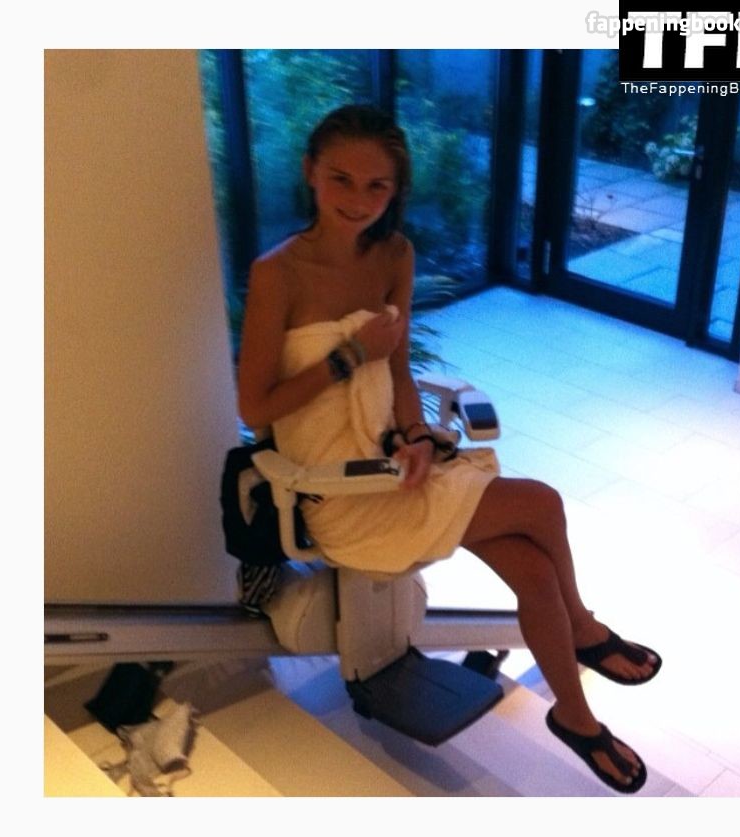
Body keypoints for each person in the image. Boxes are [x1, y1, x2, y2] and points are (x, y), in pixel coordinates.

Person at [237, 104, 662, 794]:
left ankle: (575, 716)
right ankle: (584, 628)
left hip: (393, 467)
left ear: (395, 190)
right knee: (540, 504)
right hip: (337, 491)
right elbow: (254, 408)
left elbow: (399, 371)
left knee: (534, 571)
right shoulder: (277, 273)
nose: (357, 200)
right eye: (341, 178)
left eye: (377, 186)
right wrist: (348, 356)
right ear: (311, 171)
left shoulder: (393, 256)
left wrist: (412, 436)